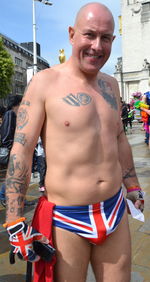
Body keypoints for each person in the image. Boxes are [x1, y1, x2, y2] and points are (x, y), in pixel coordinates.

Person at [3, 2, 144, 282]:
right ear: (71, 34)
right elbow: (22, 150)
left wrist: (133, 185)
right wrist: (15, 221)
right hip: (67, 218)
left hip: (113, 210)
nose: (96, 45)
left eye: (105, 38)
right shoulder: (45, 82)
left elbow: (118, 138)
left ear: (113, 41)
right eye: (89, 35)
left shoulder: (111, 85)